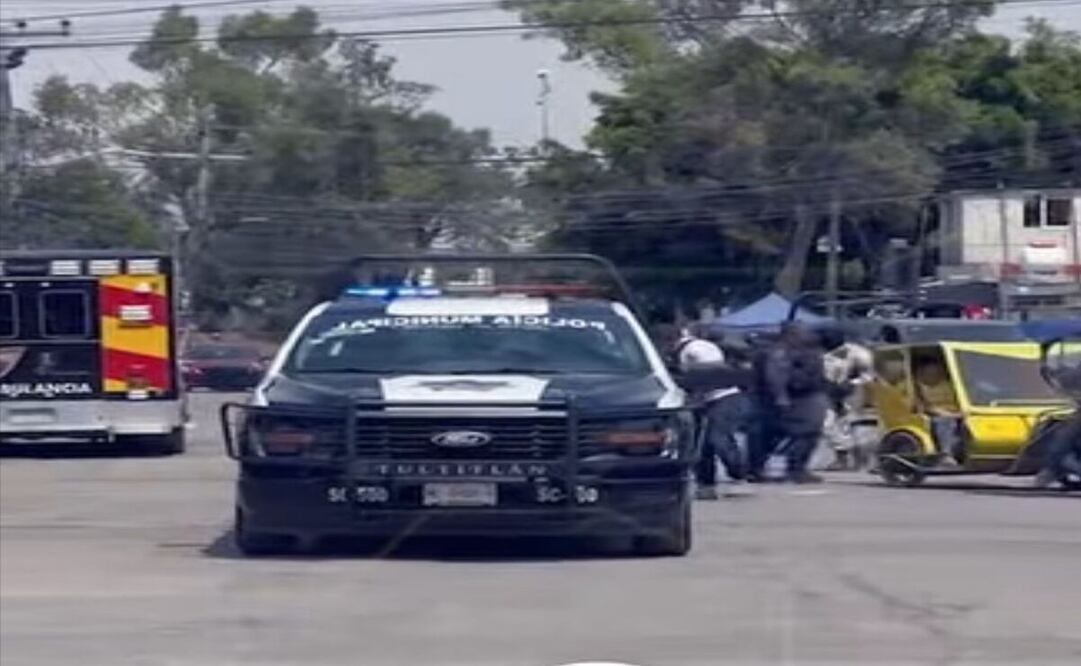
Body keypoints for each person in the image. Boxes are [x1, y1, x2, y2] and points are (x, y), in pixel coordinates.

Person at [674, 324, 749, 500]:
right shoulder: (697, 348)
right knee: (703, 444)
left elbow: (709, 373)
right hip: (712, 399)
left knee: (717, 439)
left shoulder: (694, 349)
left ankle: (737, 472)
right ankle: (707, 484)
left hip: (721, 398)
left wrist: (695, 394)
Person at [748, 323, 829, 484]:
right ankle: (793, 469)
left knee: (780, 435)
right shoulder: (781, 352)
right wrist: (781, 397)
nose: (806, 336)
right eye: (801, 332)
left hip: (801, 396)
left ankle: (762, 468)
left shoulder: (796, 350)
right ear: (791, 335)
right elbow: (775, 376)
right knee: (805, 433)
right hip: (798, 398)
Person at [914, 359, 963, 466]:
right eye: (929, 372)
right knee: (944, 421)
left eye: (936, 372)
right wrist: (946, 413)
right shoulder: (917, 387)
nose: (933, 375)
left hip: (958, 413)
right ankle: (946, 455)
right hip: (934, 416)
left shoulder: (951, 385)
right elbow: (924, 406)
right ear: (921, 373)